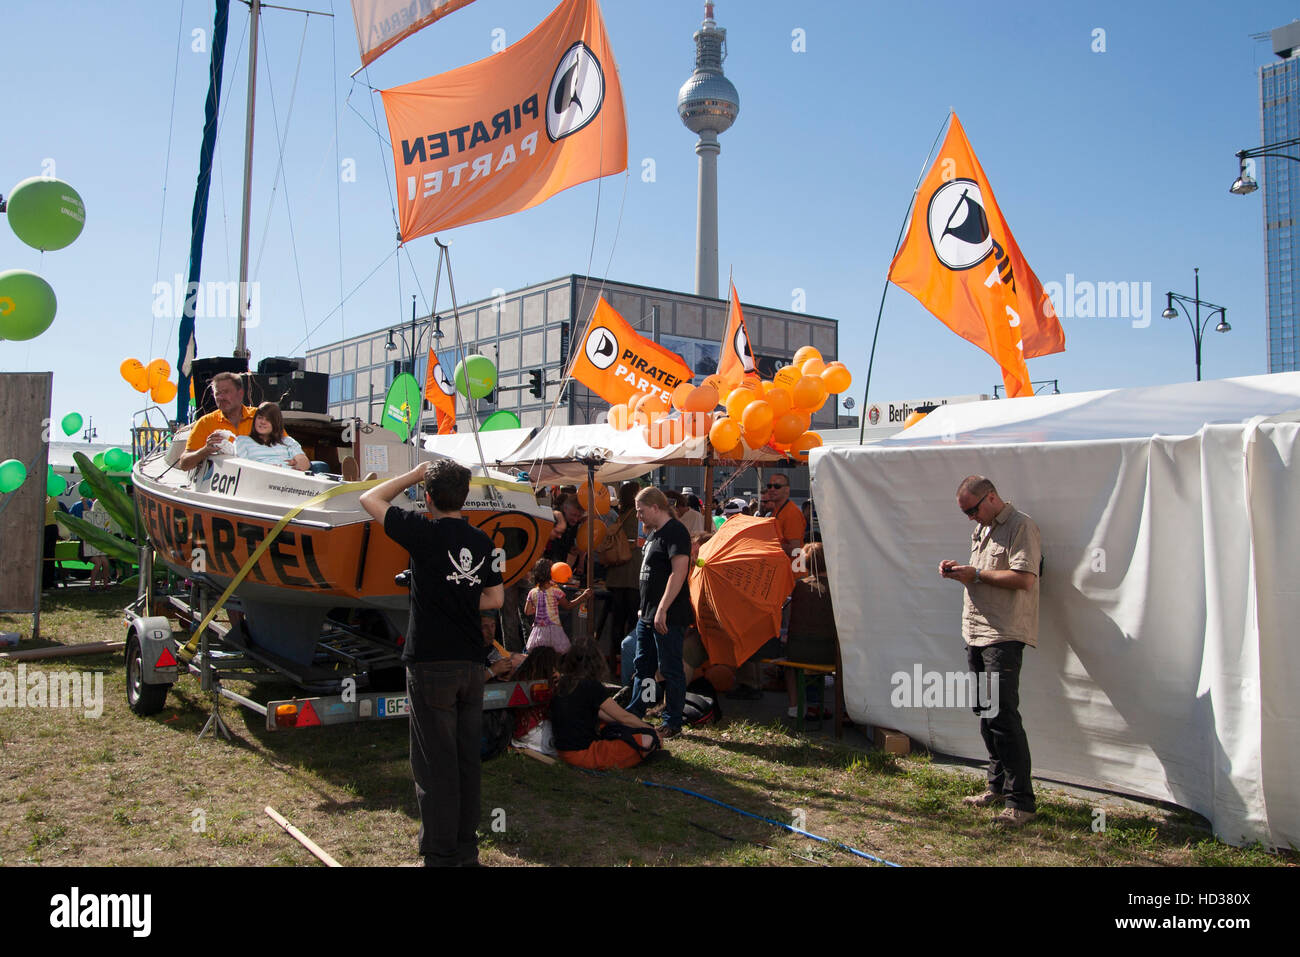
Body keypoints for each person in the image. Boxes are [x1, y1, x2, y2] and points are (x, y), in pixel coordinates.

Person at [360, 459, 504, 866]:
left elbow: (369, 497)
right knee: (464, 760)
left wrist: (410, 472)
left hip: (431, 663)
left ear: (427, 496)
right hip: (472, 664)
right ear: (465, 497)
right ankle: (465, 850)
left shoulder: (421, 532)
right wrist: (459, 593)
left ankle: (440, 856)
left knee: (433, 762)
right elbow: (495, 600)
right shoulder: (483, 542)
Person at [940, 474, 1041, 828]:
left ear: (991, 497)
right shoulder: (982, 528)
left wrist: (976, 575)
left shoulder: (1020, 526)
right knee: (987, 713)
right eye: (966, 512)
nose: (970, 517)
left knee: (1003, 718)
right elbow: (982, 573)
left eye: (972, 509)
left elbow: (1025, 578)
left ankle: (1021, 802)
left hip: (1003, 633)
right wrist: (961, 573)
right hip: (978, 631)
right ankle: (996, 787)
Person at [625, 487, 692, 738]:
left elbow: (679, 571)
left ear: (655, 507)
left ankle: (672, 721)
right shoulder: (654, 534)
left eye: (641, 511)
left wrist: (662, 608)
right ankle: (635, 713)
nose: (639, 516)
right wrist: (646, 608)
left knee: (670, 667)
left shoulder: (674, 531)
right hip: (648, 614)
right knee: (643, 665)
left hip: (668, 615)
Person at [551, 640, 661, 769]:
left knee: (608, 725)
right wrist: (652, 731)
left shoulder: (563, 683)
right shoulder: (592, 686)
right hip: (583, 755)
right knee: (648, 740)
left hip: (562, 751)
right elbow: (623, 717)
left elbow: (604, 715)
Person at [784, 542, 838, 719]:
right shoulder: (837, 589)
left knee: (789, 664)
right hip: (828, 652)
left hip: (797, 650)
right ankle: (841, 709)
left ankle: (794, 706)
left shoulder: (799, 587)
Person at [178, 372, 257, 471]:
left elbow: (282, 451)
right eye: (217, 393)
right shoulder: (205, 422)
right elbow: (184, 465)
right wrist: (205, 450)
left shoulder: (261, 417)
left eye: (226, 392)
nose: (220, 397)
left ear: (240, 393)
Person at [597, 481, 642, 654]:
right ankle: (627, 657)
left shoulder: (619, 514)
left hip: (616, 575)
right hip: (633, 574)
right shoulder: (638, 516)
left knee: (617, 619)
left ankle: (614, 656)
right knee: (633, 620)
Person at [524, 558, 590, 654]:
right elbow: (568, 606)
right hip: (554, 631)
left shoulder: (532, 592)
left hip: (538, 632)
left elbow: (527, 611)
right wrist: (582, 597)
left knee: (540, 655)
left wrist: (539, 607)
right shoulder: (556, 591)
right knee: (557, 655)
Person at [233, 401, 311, 471]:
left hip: (288, 480)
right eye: (260, 418)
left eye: (268, 420)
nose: (263, 422)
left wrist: (298, 465)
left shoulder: (288, 441)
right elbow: (243, 469)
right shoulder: (242, 441)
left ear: (276, 423)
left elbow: (304, 463)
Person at [761, 473, 806, 554]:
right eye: (769, 486)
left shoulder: (791, 513)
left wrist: (768, 543)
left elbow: (795, 549)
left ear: (787, 490)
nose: (772, 489)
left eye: (777, 486)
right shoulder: (777, 510)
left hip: (792, 565)